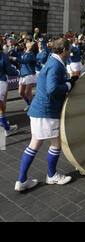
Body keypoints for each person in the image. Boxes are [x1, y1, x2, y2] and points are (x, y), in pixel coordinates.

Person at [14, 38, 77, 192]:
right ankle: (52, 175)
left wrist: (68, 80)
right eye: (69, 50)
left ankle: (22, 180)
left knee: (34, 143)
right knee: (55, 144)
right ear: (63, 50)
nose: (70, 52)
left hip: (39, 110)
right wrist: (69, 84)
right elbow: (52, 88)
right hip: (47, 111)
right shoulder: (55, 64)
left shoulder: (53, 61)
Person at [0, 38, 19, 136]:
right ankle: (7, 128)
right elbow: (9, 71)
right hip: (1, 82)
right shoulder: (2, 55)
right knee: (2, 106)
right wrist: (17, 72)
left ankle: (5, 125)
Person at [12, 41, 37, 111]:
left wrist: (13, 58)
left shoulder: (31, 54)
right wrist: (11, 48)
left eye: (30, 42)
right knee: (21, 92)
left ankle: (34, 107)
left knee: (27, 92)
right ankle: (29, 103)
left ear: (31, 46)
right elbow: (17, 54)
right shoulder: (24, 51)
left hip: (29, 74)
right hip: (23, 74)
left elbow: (24, 61)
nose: (28, 42)